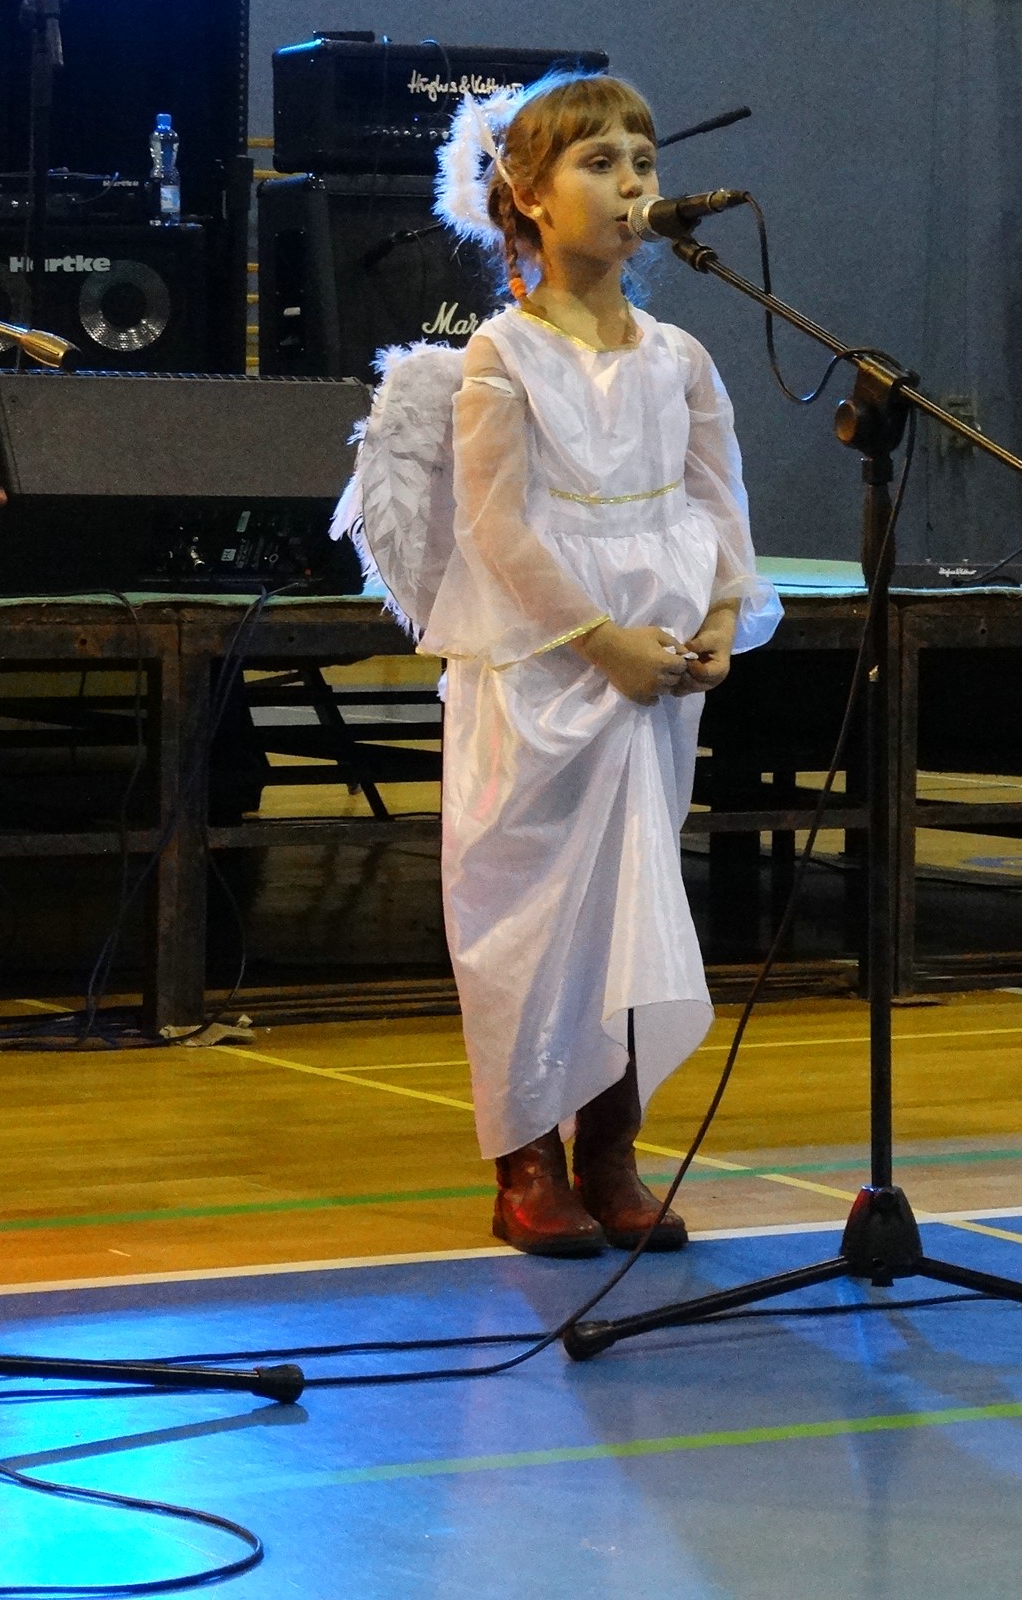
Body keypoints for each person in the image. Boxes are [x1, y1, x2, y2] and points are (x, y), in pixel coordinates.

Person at [416, 72, 781, 1255]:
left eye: (644, 161)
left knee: (632, 906)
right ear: (528, 196)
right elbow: (497, 527)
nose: (632, 186)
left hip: (653, 681)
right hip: (544, 671)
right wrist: (599, 639)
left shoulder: (680, 357)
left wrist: (720, 615)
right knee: (529, 913)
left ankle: (610, 1149)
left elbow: (718, 498)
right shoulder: (501, 354)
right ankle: (524, 1157)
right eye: (599, 163)